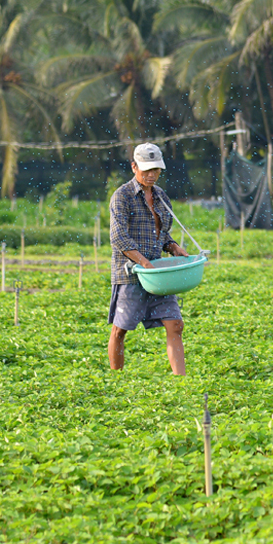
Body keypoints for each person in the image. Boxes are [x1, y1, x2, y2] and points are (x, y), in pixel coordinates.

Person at [108, 142, 189, 374]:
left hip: (158, 275)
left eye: (156, 170)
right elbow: (118, 237)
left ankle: (182, 382)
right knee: (120, 329)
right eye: (147, 170)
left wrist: (173, 247)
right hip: (131, 274)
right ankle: (116, 378)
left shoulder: (161, 196)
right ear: (134, 167)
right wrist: (144, 263)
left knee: (175, 325)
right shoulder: (122, 196)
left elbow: (161, 234)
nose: (152, 175)